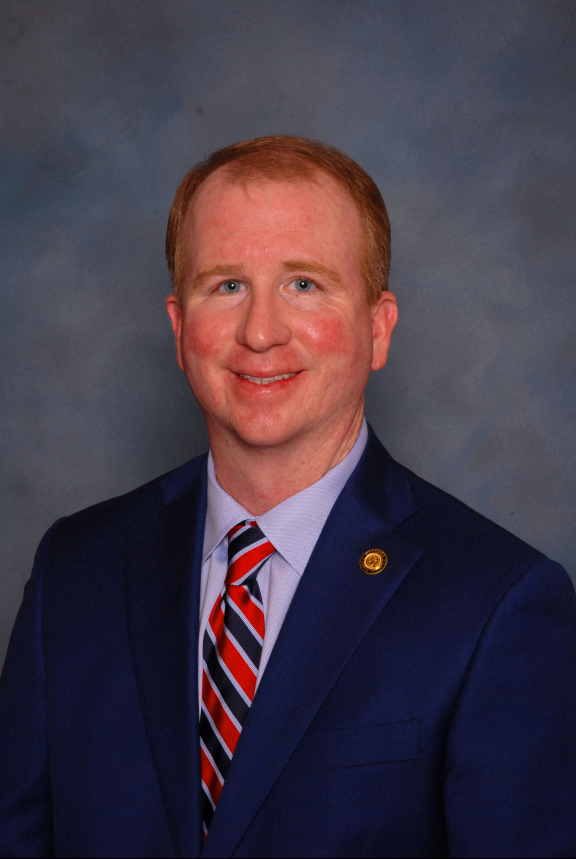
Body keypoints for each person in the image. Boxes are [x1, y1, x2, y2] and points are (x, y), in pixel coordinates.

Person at [0, 135, 575, 859]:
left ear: (377, 328)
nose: (260, 332)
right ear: (179, 329)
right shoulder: (73, 573)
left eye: (304, 284)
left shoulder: (499, 604)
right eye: (226, 286)